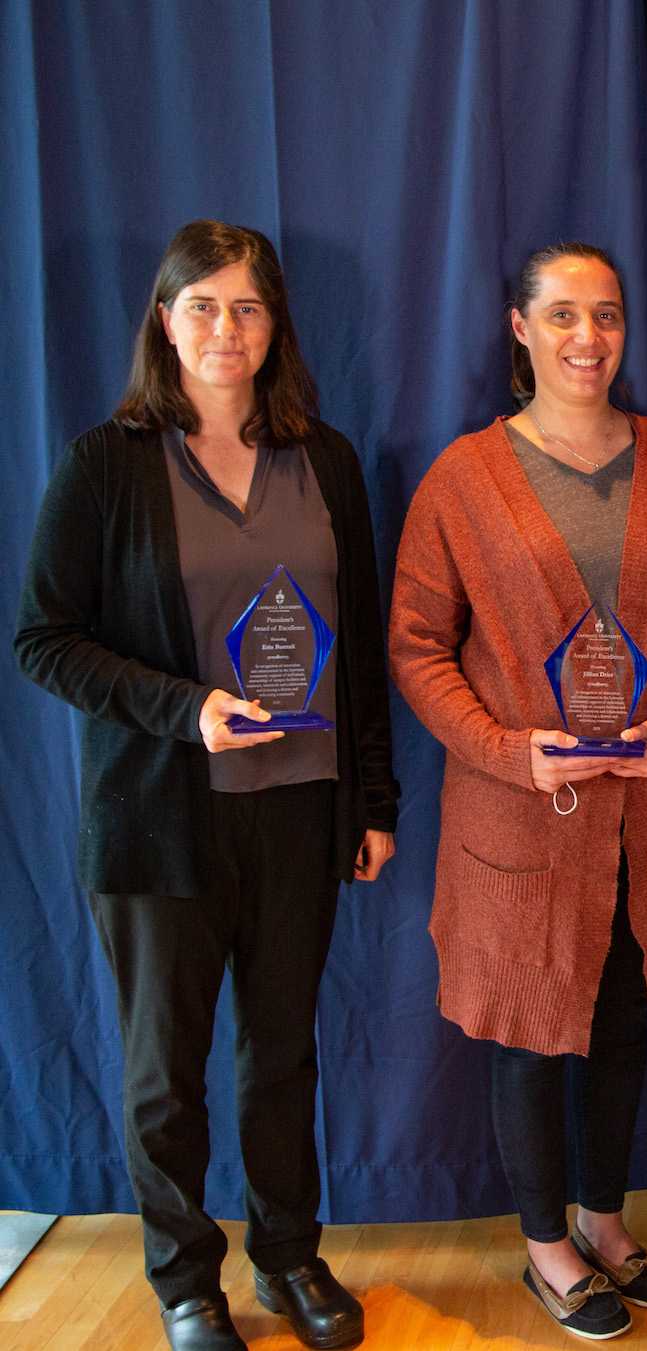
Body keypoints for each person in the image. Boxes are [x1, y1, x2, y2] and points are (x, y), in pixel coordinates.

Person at [14, 221, 397, 1351]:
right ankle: (186, 1280)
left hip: (300, 811)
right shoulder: (105, 464)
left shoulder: (323, 458)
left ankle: (289, 1257)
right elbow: (45, 639)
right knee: (163, 1075)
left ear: (276, 326)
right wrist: (186, 710)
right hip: (156, 825)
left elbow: (362, 649)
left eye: (247, 307)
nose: (224, 329)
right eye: (201, 307)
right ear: (164, 322)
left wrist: (372, 802)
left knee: (283, 1053)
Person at [388, 242, 647, 1342]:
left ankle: (604, 1219)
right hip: (519, 817)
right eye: (562, 316)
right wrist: (506, 747)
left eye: (607, 316)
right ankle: (546, 1245)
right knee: (533, 1032)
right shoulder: (464, 477)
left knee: (627, 1021)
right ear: (519, 329)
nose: (588, 338)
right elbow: (415, 645)